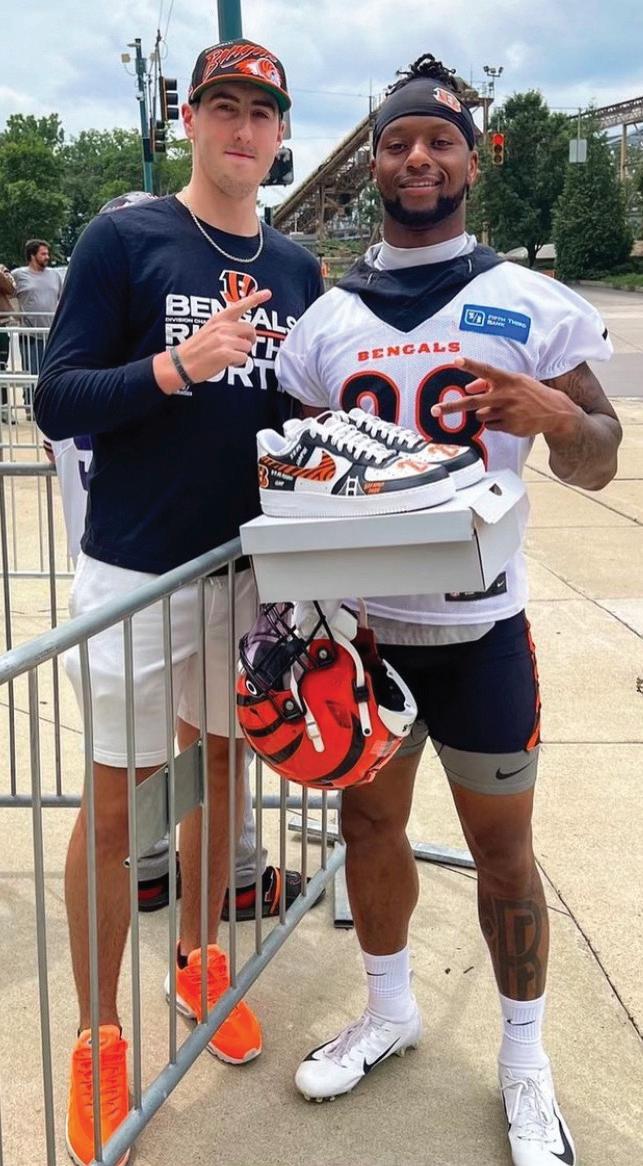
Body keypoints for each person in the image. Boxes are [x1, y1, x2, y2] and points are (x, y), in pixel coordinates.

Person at [275, 53, 622, 1166]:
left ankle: (524, 1059)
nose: (416, 157)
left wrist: (554, 418)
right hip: (363, 633)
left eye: (438, 140)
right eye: (396, 141)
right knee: (368, 828)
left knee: (503, 853)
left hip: (480, 632)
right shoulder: (328, 319)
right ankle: (389, 1009)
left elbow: (602, 458)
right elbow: (291, 464)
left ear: (472, 159)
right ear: (374, 162)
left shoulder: (531, 301)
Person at [35, 37, 324, 1166]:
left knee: (221, 770)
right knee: (119, 805)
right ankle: (97, 1033)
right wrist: (175, 366)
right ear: (190, 120)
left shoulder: (296, 267)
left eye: (261, 112)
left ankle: (200, 958)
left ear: (279, 134)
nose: (242, 129)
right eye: (223, 108)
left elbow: (300, 414)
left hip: (246, 575)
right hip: (138, 573)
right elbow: (58, 398)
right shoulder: (126, 237)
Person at [11, 240, 62, 418]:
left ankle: (50, 406)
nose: (47, 257)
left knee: (53, 371)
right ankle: (31, 407)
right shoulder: (19, 275)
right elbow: (7, 294)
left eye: (47, 253)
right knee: (32, 372)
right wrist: (13, 316)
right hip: (30, 334)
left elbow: (61, 299)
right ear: (32, 256)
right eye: (43, 254)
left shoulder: (54, 275)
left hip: (52, 333)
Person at [0, 263, 17, 422]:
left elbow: (11, 289)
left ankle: (4, 408)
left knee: (1, 368)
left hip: (1, 326)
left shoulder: (2, 270)